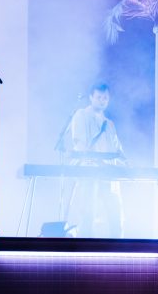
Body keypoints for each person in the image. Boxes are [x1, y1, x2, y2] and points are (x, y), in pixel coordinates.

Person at [66, 83, 126, 237]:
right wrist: (96, 162)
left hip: (108, 175)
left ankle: (117, 248)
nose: (102, 101)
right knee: (87, 215)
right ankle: (83, 248)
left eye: (105, 98)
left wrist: (127, 166)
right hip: (89, 174)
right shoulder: (81, 115)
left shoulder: (109, 124)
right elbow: (80, 144)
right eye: (99, 97)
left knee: (115, 216)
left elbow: (118, 149)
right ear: (91, 97)